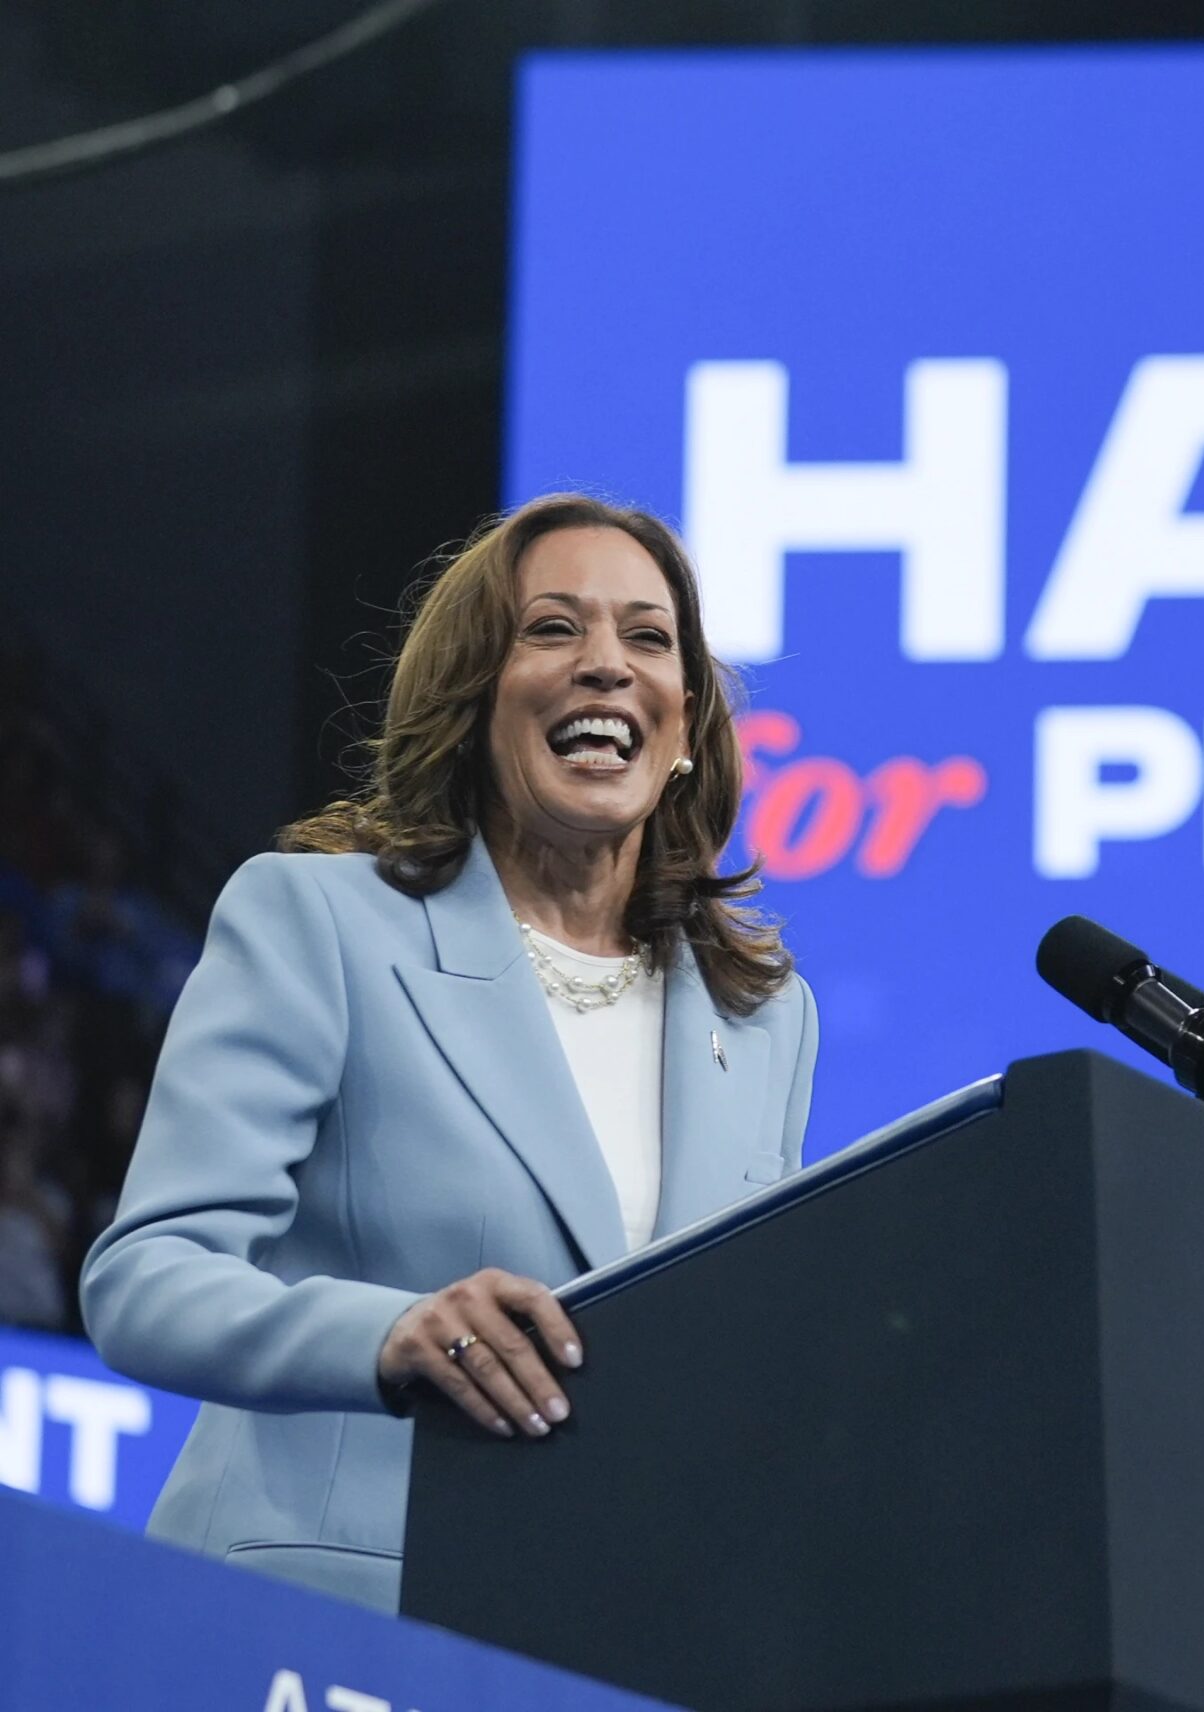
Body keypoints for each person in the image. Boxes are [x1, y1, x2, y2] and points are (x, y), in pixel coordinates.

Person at [81, 493, 818, 1613]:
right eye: (554, 628)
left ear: (683, 731)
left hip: (616, 1642)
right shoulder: (321, 923)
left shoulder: (762, 1016)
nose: (608, 666)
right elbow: (146, 1279)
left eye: (649, 637)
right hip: (327, 1624)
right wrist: (387, 1332)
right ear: (474, 697)